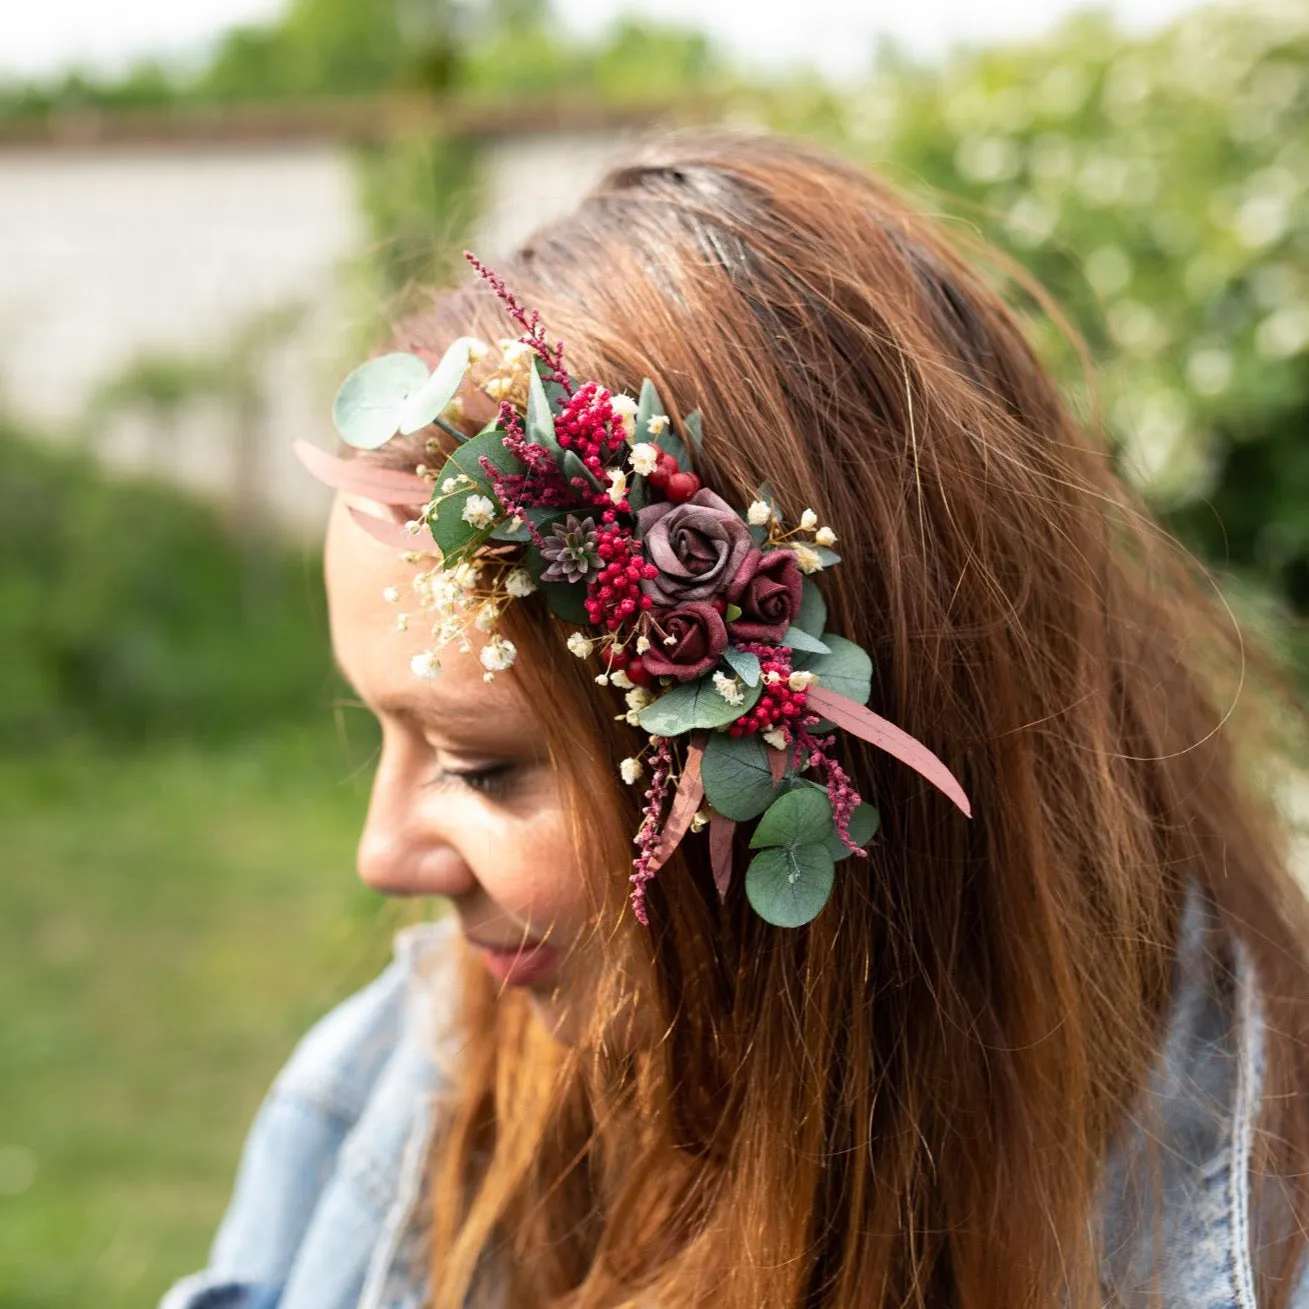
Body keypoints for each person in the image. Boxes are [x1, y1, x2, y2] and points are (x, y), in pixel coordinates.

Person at [162, 129, 1309, 1309]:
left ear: (792, 756)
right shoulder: (394, 1096)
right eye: (385, 733)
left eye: (479, 764)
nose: (381, 854)